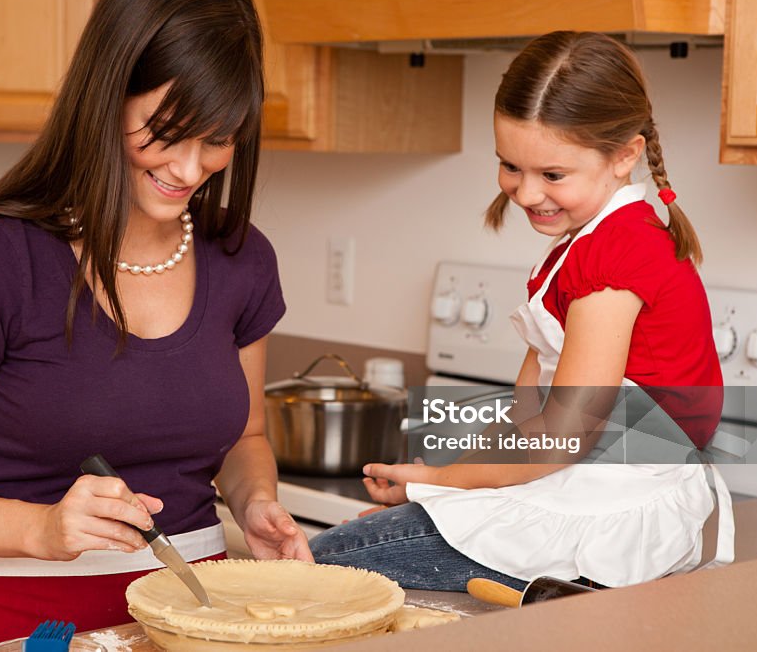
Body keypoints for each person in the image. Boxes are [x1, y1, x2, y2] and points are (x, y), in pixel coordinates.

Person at [0, 0, 311, 649]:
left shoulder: (241, 258)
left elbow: (242, 438)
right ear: (109, 92)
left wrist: (255, 502)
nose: (189, 169)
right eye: (167, 131)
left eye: (218, 140)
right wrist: (40, 529)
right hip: (16, 619)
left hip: (188, 620)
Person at [309, 31, 733, 593]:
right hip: (582, 486)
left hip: (615, 510)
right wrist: (440, 491)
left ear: (624, 156)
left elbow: (562, 436)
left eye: (552, 175)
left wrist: (438, 481)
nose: (528, 193)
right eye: (511, 165)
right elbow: (526, 415)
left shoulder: (615, 257)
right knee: (350, 550)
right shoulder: (586, 246)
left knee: (324, 560)